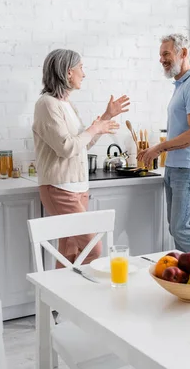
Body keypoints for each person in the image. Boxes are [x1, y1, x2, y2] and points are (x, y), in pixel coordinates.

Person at [32, 49, 130, 267]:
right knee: (93, 248)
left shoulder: (68, 105)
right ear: (68, 73)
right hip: (60, 188)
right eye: (81, 68)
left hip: (78, 188)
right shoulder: (47, 104)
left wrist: (105, 118)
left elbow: (81, 145)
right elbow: (66, 148)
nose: (83, 74)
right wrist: (95, 127)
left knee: (69, 250)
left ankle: (62, 297)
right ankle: (82, 294)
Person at [137, 34, 190, 258]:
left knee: (182, 229)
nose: (161, 59)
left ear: (183, 53)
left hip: (188, 168)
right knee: (176, 228)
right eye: (160, 55)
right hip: (175, 167)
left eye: (166, 54)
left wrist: (158, 149)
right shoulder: (181, 86)